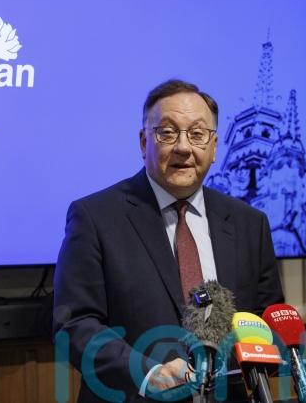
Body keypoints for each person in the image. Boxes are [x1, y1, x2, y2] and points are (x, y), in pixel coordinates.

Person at [53, 79, 284, 402]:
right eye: (168, 132)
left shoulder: (250, 223)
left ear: (214, 147)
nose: (183, 147)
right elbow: (75, 325)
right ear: (143, 142)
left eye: (197, 134)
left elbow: (266, 319)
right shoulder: (95, 217)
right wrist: (145, 373)